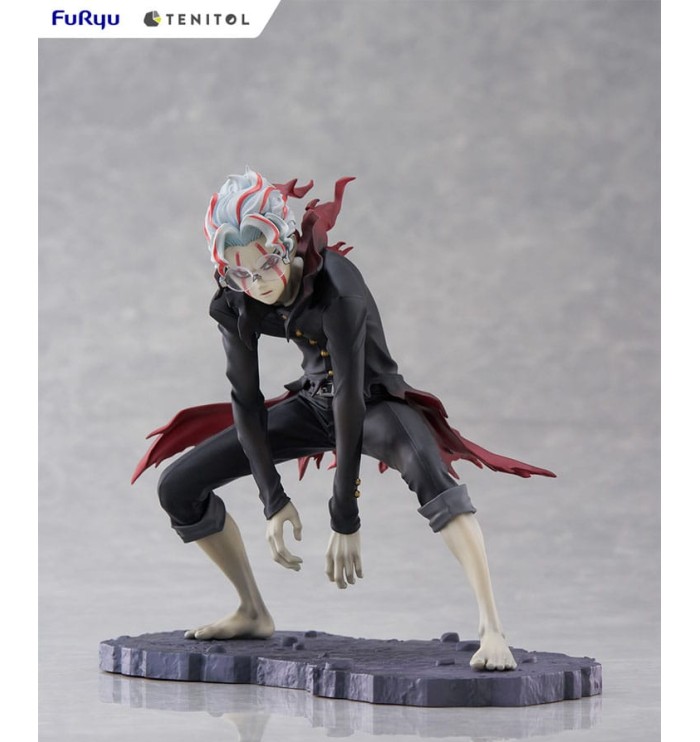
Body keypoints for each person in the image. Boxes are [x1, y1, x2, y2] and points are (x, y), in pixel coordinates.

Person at [134, 168, 555, 671]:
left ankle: (493, 627)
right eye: (240, 272)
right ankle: (252, 610)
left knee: (432, 475)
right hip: (311, 403)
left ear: (286, 244)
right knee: (177, 487)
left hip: (374, 403)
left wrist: (345, 513)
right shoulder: (236, 297)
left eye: (266, 264)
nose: (257, 282)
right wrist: (272, 498)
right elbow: (245, 400)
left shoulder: (336, 285)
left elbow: (351, 397)